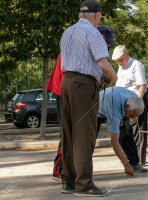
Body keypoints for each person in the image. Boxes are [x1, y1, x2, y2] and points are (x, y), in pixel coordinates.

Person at [59, 0, 117, 197]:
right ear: (97, 15)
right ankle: (84, 185)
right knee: (84, 135)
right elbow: (102, 63)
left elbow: (78, 59)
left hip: (66, 82)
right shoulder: (93, 32)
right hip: (83, 86)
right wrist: (114, 77)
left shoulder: (68, 31)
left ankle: (68, 180)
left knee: (69, 133)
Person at [47, 24, 116, 182]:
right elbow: (87, 67)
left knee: (72, 131)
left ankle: (68, 172)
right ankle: (60, 170)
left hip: (66, 86)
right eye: (106, 43)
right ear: (100, 37)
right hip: (63, 87)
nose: (106, 47)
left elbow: (89, 67)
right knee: (69, 132)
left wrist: (101, 78)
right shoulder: (86, 42)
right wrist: (109, 77)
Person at [97, 86, 147, 175]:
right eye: (132, 115)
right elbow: (114, 141)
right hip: (97, 110)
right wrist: (125, 164)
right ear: (126, 107)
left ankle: (134, 163)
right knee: (89, 140)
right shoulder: (114, 112)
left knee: (126, 133)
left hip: (118, 103)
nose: (133, 118)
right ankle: (83, 169)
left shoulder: (134, 98)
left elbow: (131, 113)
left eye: (135, 115)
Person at [112, 45, 148, 165]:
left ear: (127, 54)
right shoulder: (121, 67)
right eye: (117, 61)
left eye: (121, 59)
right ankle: (132, 158)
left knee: (137, 131)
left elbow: (142, 85)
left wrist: (137, 104)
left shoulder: (136, 65)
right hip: (125, 103)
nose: (119, 62)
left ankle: (139, 160)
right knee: (127, 131)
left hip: (135, 101)